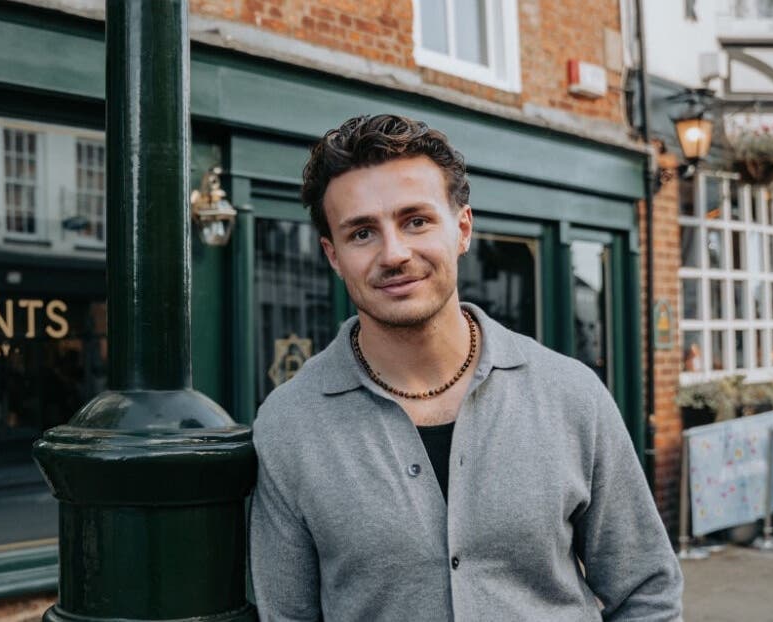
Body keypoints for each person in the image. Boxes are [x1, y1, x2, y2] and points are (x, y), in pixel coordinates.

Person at [249, 114, 683, 621]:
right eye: (362, 232)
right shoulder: (288, 425)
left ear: (462, 229)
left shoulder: (571, 394)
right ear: (333, 255)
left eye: (416, 221)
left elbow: (646, 591)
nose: (394, 254)